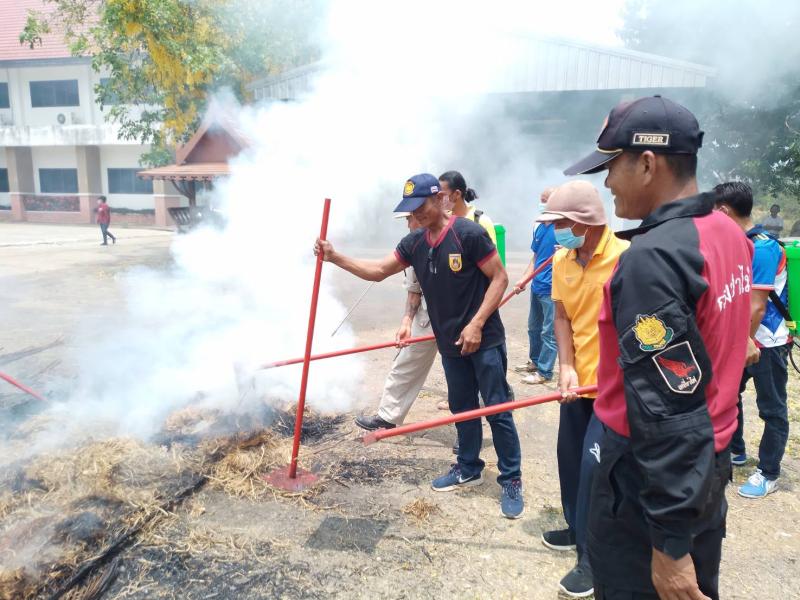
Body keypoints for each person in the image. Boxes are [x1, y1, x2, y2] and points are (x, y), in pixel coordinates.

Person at [563, 95, 752, 599]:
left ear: (647, 164)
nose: (607, 182)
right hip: (705, 463)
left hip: (648, 477)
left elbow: (667, 408)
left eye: (612, 167)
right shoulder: (728, 232)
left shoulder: (654, 258)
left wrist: (668, 544)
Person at [314, 173, 524, 518]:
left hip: (483, 340)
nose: (417, 213)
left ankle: (511, 478)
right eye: (411, 209)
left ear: (441, 199)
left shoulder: (468, 234)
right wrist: (335, 257)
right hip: (450, 344)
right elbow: (378, 270)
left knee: (497, 409)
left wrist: (476, 324)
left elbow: (499, 278)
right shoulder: (415, 242)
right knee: (462, 407)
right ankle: (468, 467)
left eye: (422, 205)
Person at [535, 180, 629, 598]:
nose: (555, 230)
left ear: (584, 222)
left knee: (597, 474)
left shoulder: (626, 258)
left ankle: (593, 562)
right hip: (577, 384)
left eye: (560, 223)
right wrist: (566, 367)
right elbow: (561, 317)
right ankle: (576, 528)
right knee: (570, 461)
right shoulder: (563, 260)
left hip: (612, 389)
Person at [714, 181, 791, 499]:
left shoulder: (762, 248)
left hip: (766, 341)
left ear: (723, 211)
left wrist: (745, 341)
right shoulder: (737, 243)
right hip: (740, 338)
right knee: (728, 395)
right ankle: (736, 451)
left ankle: (768, 472)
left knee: (772, 408)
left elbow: (757, 305)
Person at [354, 212, 438, 431]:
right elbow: (414, 289)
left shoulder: (453, 235)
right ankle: (388, 417)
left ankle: (468, 431)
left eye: (409, 219)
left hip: (458, 318)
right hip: (427, 317)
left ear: (421, 215)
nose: (408, 225)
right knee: (405, 364)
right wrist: (406, 322)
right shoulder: (413, 245)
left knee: (462, 374)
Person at [513, 187, 557, 385]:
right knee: (534, 327)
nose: (542, 203)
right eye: (541, 199)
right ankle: (536, 362)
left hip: (552, 289)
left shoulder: (562, 229)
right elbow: (536, 257)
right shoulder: (540, 227)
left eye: (546, 200)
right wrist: (524, 279)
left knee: (549, 332)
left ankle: (545, 372)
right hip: (537, 286)